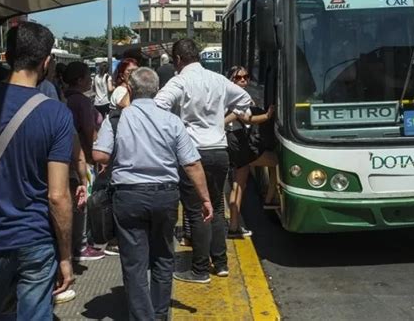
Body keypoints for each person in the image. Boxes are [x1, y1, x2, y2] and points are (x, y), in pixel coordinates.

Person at [93, 67, 213, 321]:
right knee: (163, 256)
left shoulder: (116, 118)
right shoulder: (172, 120)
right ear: (157, 90)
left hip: (128, 197)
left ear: (131, 89)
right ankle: (159, 315)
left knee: (134, 263)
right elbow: (191, 163)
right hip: (165, 196)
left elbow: (99, 155)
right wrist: (204, 198)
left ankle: (142, 317)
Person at [0, 22, 74, 319]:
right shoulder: (56, 114)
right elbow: (58, 196)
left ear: (7, 55)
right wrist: (66, 256)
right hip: (35, 239)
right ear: (47, 62)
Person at [154, 39, 251, 284]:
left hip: (192, 153)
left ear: (177, 60)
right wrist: (221, 120)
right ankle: (220, 263)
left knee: (196, 210)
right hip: (219, 150)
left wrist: (178, 126)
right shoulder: (218, 79)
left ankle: (199, 270)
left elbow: (159, 105)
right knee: (217, 207)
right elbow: (244, 101)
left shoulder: (179, 81)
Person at [225, 66, 278, 238]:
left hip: (232, 142)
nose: (243, 80)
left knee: (238, 184)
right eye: (238, 78)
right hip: (238, 142)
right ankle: (270, 200)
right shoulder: (237, 98)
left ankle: (234, 224)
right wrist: (268, 116)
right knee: (274, 162)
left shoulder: (226, 94)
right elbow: (248, 118)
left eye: (246, 77)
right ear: (231, 80)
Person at [63, 61, 104, 261]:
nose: (91, 80)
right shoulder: (82, 101)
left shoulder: (65, 98)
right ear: (79, 80)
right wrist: (97, 152)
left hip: (66, 156)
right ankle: (81, 244)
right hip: (83, 156)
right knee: (83, 200)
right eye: (88, 76)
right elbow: (90, 131)